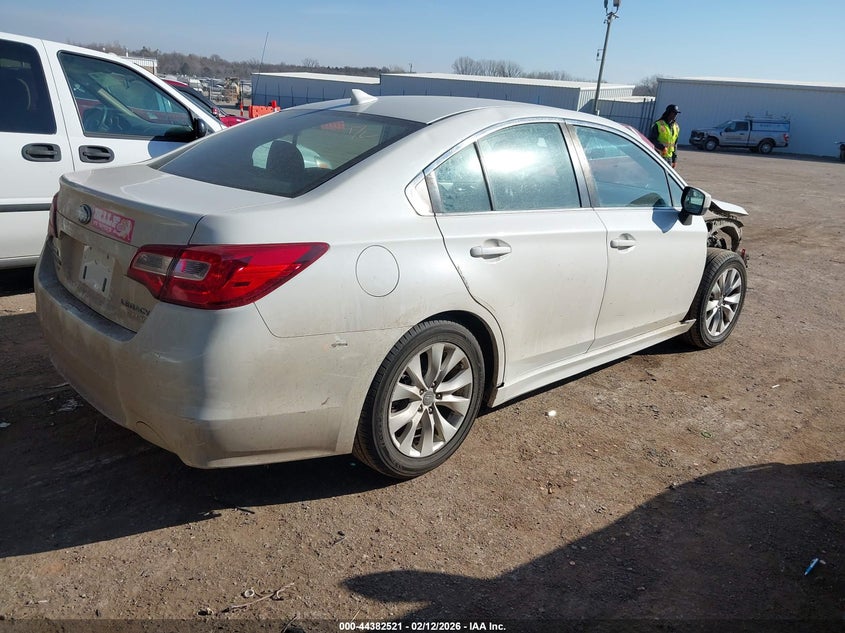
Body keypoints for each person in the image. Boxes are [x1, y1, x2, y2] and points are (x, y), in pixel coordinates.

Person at [649, 104, 681, 169]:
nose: (675, 115)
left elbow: (675, 144)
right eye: (674, 113)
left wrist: (674, 160)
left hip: (669, 158)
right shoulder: (658, 124)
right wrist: (662, 147)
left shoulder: (676, 127)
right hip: (658, 156)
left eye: (676, 113)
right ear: (668, 113)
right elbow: (651, 140)